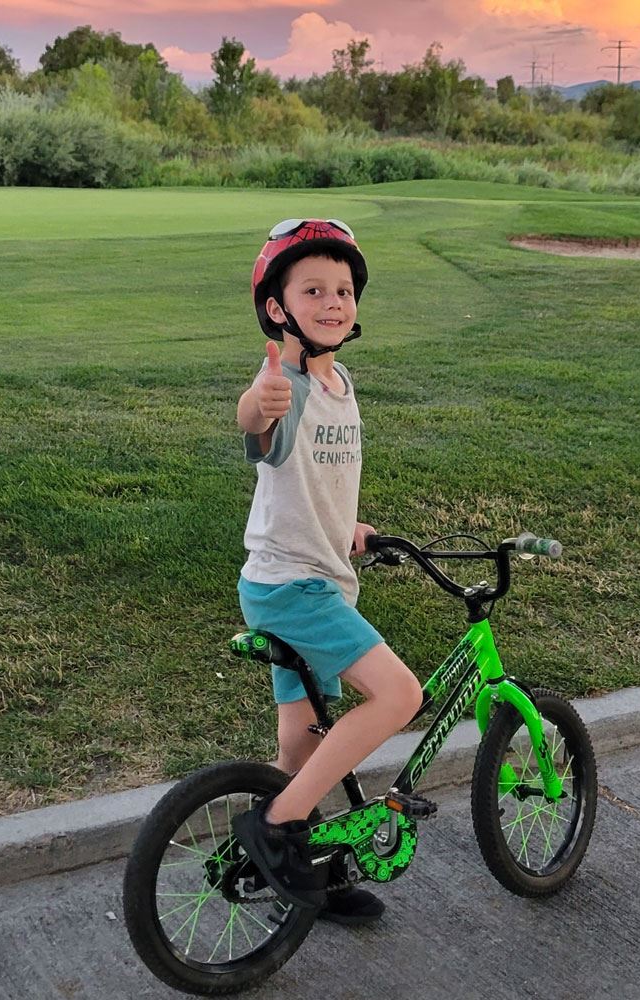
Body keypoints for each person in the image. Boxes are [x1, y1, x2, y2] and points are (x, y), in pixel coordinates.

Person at [231, 219, 424, 923]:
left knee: (303, 747)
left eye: (342, 289)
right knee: (399, 696)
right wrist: (256, 404)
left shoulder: (340, 383)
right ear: (278, 309)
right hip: (295, 589)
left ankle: (304, 872)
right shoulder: (285, 386)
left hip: (303, 576)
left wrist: (349, 528)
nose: (333, 301)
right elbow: (258, 424)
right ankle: (278, 828)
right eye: (311, 290)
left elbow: (317, 479)